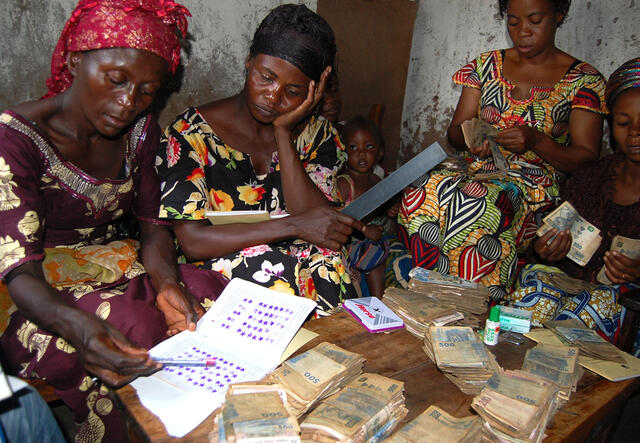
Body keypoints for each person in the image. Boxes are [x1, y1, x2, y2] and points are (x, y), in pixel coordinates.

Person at [0, 1, 227, 441]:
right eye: (116, 80)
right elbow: (21, 274)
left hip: (119, 266)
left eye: (147, 91)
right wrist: (82, 330)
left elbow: (152, 226)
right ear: (75, 59)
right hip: (38, 289)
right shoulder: (16, 139)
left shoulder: (141, 132)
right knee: (132, 332)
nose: (128, 103)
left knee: (205, 296)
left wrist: (166, 285)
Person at [156, 4, 363, 316]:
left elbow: (321, 226)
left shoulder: (320, 137)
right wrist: (291, 225)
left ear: (315, 90)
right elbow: (193, 243)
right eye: (265, 77)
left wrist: (283, 133)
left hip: (294, 269)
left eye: (293, 91)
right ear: (249, 61)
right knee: (279, 269)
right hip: (213, 272)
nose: (273, 96)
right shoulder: (190, 135)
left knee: (325, 261)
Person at [398, 0, 607, 300]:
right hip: (476, 168)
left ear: (558, 15)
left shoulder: (583, 81)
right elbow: (455, 132)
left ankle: (477, 302)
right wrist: (473, 137)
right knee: (423, 188)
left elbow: (587, 158)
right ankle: (426, 292)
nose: (523, 32)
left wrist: (537, 142)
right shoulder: (486, 66)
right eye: (513, 21)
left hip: (533, 186)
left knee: (481, 204)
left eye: (535, 21)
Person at [508, 58, 640, 347]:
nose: (634, 133)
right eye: (623, 122)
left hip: (623, 304)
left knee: (584, 316)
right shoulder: (590, 178)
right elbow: (544, 245)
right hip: (568, 285)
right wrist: (544, 250)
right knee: (529, 303)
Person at [337, 116, 398, 298]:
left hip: (379, 239)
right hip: (351, 244)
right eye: (353, 148)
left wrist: (390, 212)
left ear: (379, 152)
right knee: (374, 254)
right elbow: (337, 218)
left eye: (369, 147)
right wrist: (364, 230)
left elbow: (386, 220)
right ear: (343, 152)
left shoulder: (376, 180)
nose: (361, 154)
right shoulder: (345, 183)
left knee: (400, 255)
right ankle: (377, 301)